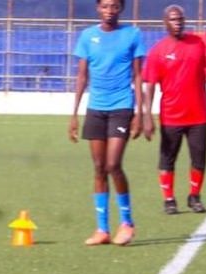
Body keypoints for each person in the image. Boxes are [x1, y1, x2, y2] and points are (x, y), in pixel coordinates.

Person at [69, 0, 147, 247]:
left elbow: (137, 75)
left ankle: (127, 223)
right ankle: (102, 229)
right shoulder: (87, 36)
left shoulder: (132, 34)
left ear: (120, 8)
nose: (109, 11)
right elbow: (82, 76)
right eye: (105, 6)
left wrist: (140, 113)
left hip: (122, 106)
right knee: (99, 167)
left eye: (114, 6)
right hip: (96, 109)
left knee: (114, 164)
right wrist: (74, 113)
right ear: (98, 8)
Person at [141, 4, 206, 214]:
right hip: (171, 116)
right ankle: (169, 199)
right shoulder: (158, 51)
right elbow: (150, 85)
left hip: (198, 115)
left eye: (180, 19)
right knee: (168, 158)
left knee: (199, 158)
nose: (177, 23)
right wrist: (147, 116)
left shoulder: (198, 44)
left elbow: (202, 75)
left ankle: (194, 197)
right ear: (165, 22)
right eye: (173, 19)